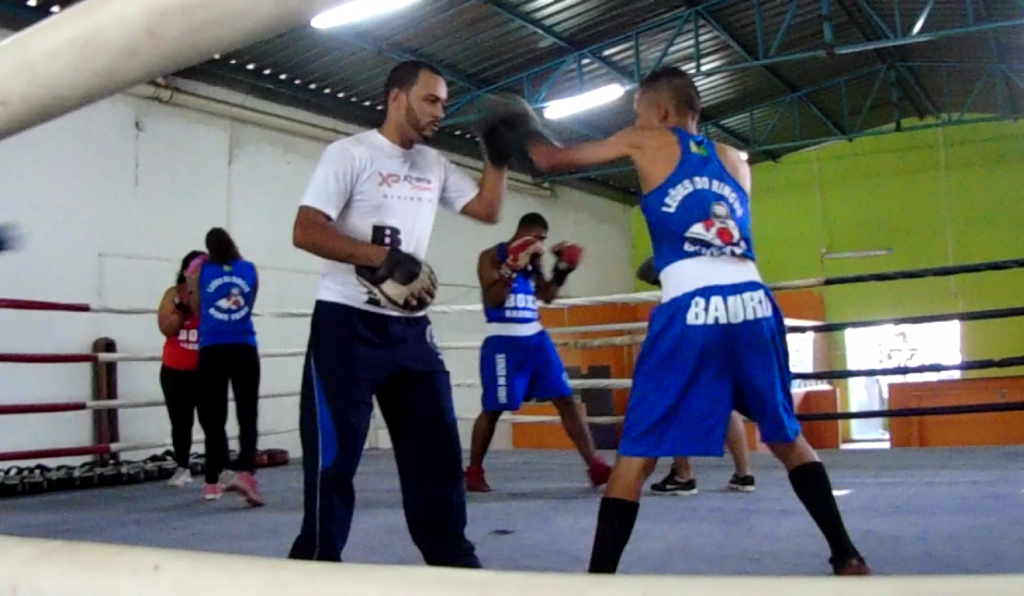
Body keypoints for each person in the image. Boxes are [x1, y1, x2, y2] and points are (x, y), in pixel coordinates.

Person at [527, 66, 869, 576]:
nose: (637, 121)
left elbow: (550, 159)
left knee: (638, 450)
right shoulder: (735, 159)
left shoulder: (648, 139)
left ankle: (598, 582)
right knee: (784, 435)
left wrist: (519, 124)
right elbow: (715, 230)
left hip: (693, 308)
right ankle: (847, 555)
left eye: (638, 111)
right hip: (754, 303)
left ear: (659, 111)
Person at [287, 60, 542, 566]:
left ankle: (454, 568)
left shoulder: (435, 164)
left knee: (437, 457)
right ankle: (314, 567)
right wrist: (380, 258)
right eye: (431, 100)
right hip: (346, 325)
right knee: (333, 462)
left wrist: (498, 155)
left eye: (445, 103)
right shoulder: (350, 154)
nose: (440, 112)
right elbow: (305, 230)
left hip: (409, 333)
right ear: (397, 98)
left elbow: (488, 211)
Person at [465, 212, 611, 493]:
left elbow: (546, 296)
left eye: (543, 241)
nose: (540, 245)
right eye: (537, 239)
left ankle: (595, 465)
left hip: (536, 338)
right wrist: (510, 266)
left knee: (566, 400)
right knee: (494, 408)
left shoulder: (533, 261)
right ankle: (473, 470)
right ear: (522, 233)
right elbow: (493, 299)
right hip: (504, 340)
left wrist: (563, 269)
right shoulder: (490, 256)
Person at [637, 256, 755, 496]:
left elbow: (661, 347)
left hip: (685, 358)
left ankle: (683, 474)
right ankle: (744, 474)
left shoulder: (666, 309)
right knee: (728, 408)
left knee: (675, 407)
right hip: (720, 350)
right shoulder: (712, 292)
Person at [187, 227, 263, 506]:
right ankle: (247, 473)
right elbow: (250, 302)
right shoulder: (249, 269)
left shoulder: (201, 272)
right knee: (248, 412)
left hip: (212, 348)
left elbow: (196, 308)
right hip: (243, 345)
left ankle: (215, 477)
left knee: (213, 415)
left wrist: (196, 281)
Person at [156, 250, 206, 487]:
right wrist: (182, 309)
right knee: (180, 421)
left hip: (206, 369)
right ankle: (182, 466)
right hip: (175, 368)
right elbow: (167, 328)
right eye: (195, 271)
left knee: (213, 421)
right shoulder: (173, 294)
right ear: (186, 272)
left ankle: (218, 472)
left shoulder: (214, 295)